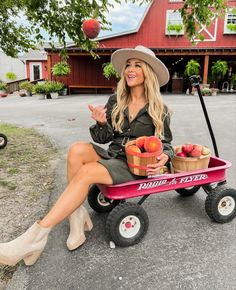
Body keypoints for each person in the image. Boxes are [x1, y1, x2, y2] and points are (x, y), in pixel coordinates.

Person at [0, 45, 175, 266]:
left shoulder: (160, 108)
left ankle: (34, 238)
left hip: (133, 166)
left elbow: (167, 143)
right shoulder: (116, 100)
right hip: (113, 155)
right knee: (76, 149)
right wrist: (101, 122)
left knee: (87, 172)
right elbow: (104, 138)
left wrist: (165, 157)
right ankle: (77, 218)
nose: (130, 69)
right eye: (128, 65)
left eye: (137, 65)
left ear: (147, 72)